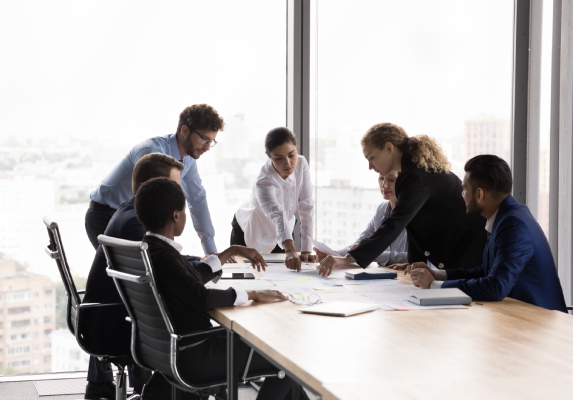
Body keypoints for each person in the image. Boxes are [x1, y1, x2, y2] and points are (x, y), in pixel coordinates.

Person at [135, 178, 310, 400]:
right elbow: (202, 297)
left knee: (286, 373)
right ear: (176, 216)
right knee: (287, 356)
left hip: (166, 352)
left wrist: (230, 251)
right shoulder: (166, 257)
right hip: (197, 355)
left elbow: (191, 278)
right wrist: (251, 294)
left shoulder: (150, 250)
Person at [82, 153, 188, 400]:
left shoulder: (128, 212)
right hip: (115, 323)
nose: (180, 194)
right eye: (175, 186)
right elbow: (166, 273)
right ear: (156, 187)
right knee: (193, 327)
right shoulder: (135, 225)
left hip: (109, 316)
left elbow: (163, 260)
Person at [317, 122, 487, 277]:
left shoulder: (416, 175)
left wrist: (348, 259)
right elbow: (413, 225)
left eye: (371, 158)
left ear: (389, 148)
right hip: (459, 244)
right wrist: (414, 263)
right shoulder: (411, 172)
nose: (370, 166)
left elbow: (395, 224)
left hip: (468, 246)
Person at [407, 155, 567, 312]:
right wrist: (436, 275)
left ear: (479, 194)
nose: (462, 195)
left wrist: (434, 286)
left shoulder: (514, 225)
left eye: (464, 189)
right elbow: (485, 271)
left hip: (540, 322)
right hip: (520, 314)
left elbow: (496, 287)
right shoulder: (505, 218)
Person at [85, 103, 224, 255]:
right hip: (106, 215)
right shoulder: (151, 152)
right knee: (138, 272)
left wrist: (211, 252)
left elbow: (197, 200)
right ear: (185, 130)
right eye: (204, 139)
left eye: (211, 141)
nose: (208, 147)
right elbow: (158, 204)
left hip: (134, 217)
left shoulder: (189, 160)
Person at [232, 127, 315, 271]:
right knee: (252, 280)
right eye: (279, 158)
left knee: (286, 276)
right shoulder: (263, 181)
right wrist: (290, 250)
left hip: (283, 232)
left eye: (291, 155)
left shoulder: (302, 164)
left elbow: (307, 207)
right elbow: (277, 215)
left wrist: (306, 250)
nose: (288, 163)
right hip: (252, 230)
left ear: (296, 149)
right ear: (268, 155)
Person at [318, 170, 408, 266]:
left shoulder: (415, 214)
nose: (384, 185)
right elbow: (359, 245)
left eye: (391, 180)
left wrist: (373, 254)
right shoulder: (381, 209)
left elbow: (417, 257)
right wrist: (331, 254)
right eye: (381, 178)